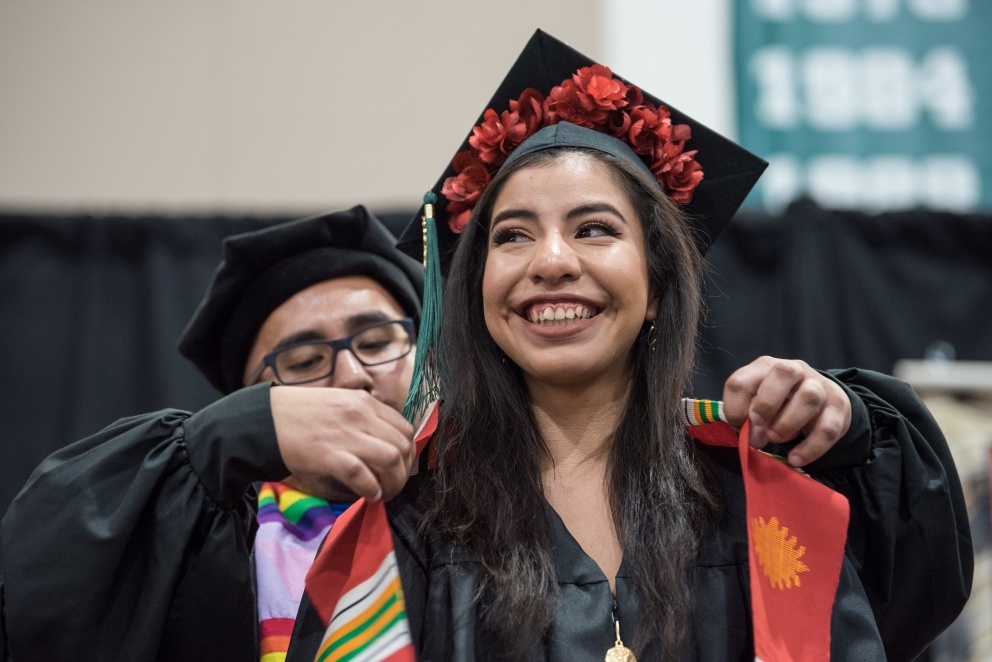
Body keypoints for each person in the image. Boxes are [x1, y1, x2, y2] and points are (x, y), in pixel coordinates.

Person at [292, 31, 972, 661]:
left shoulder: (757, 496)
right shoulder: (412, 520)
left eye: (593, 229)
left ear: (656, 286)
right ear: (476, 292)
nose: (551, 261)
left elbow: (913, 590)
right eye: (513, 235)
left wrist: (853, 429)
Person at [0, 206, 423, 661]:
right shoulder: (216, 546)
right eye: (304, 362)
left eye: (377, 342)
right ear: (256, 402)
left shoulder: (490, 507)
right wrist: (215, 443)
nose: (351, 376)